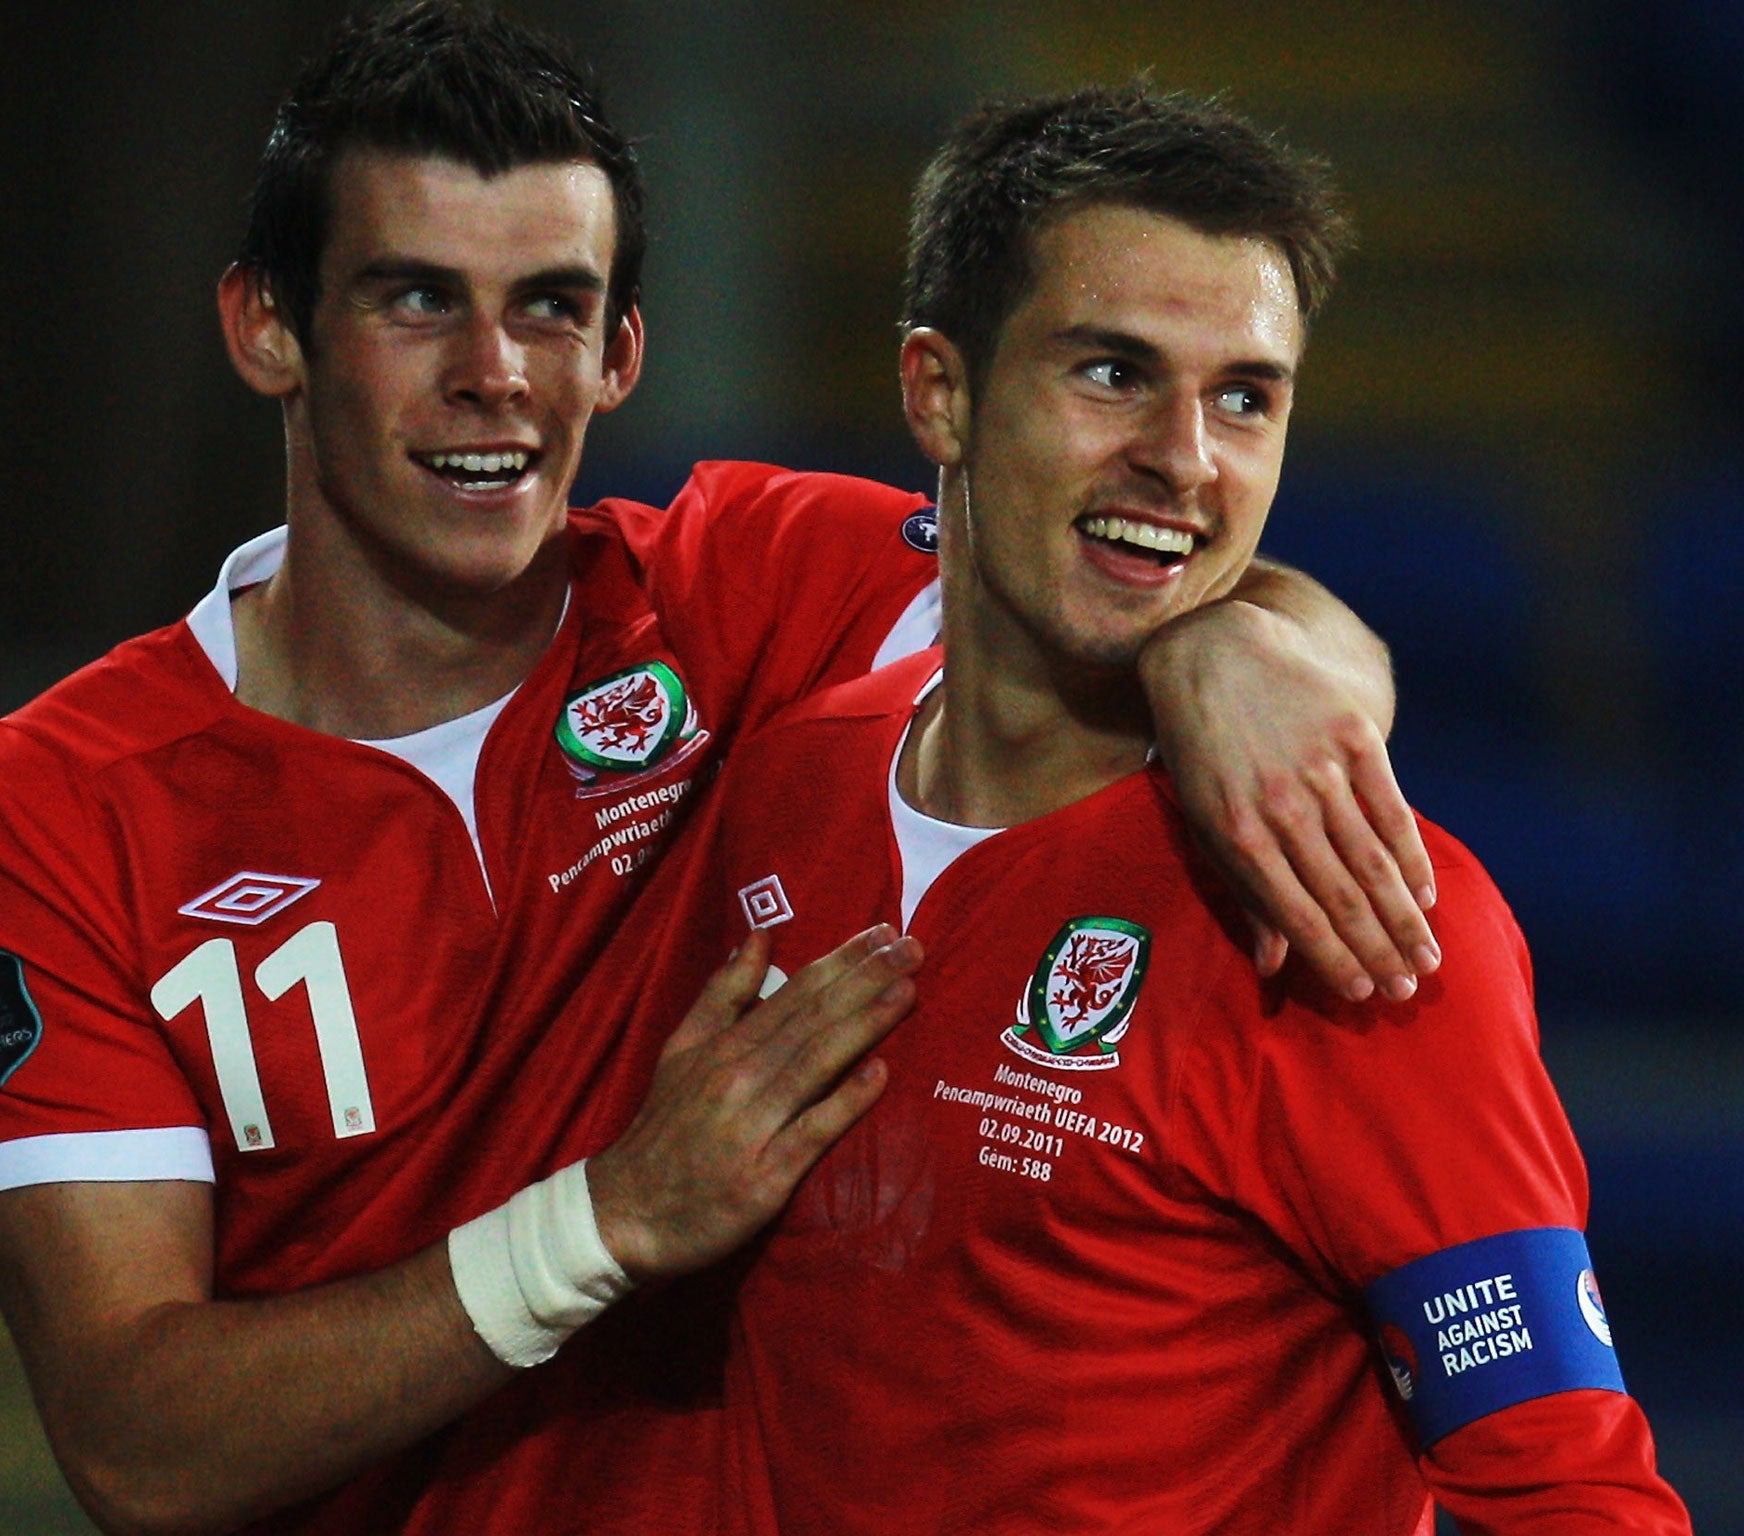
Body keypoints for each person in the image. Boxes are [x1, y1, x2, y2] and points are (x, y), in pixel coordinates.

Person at [0, 8, 1438, 1534]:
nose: (495, 372)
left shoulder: (745, 591)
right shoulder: (45, 807)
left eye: (553, 306)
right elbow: (138, 1449)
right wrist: (610, 1221)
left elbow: (1140, 560)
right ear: (268, 328)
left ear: (622, 352)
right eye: (416, 299)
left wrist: (1236, 652)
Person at [678, 84, 1690, 1532]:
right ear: (937, 390)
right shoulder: (776, 788)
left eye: (1245, 398)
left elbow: (1576, 1499)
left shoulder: (1354, 910)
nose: (1186, 459)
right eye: (1111, 373)